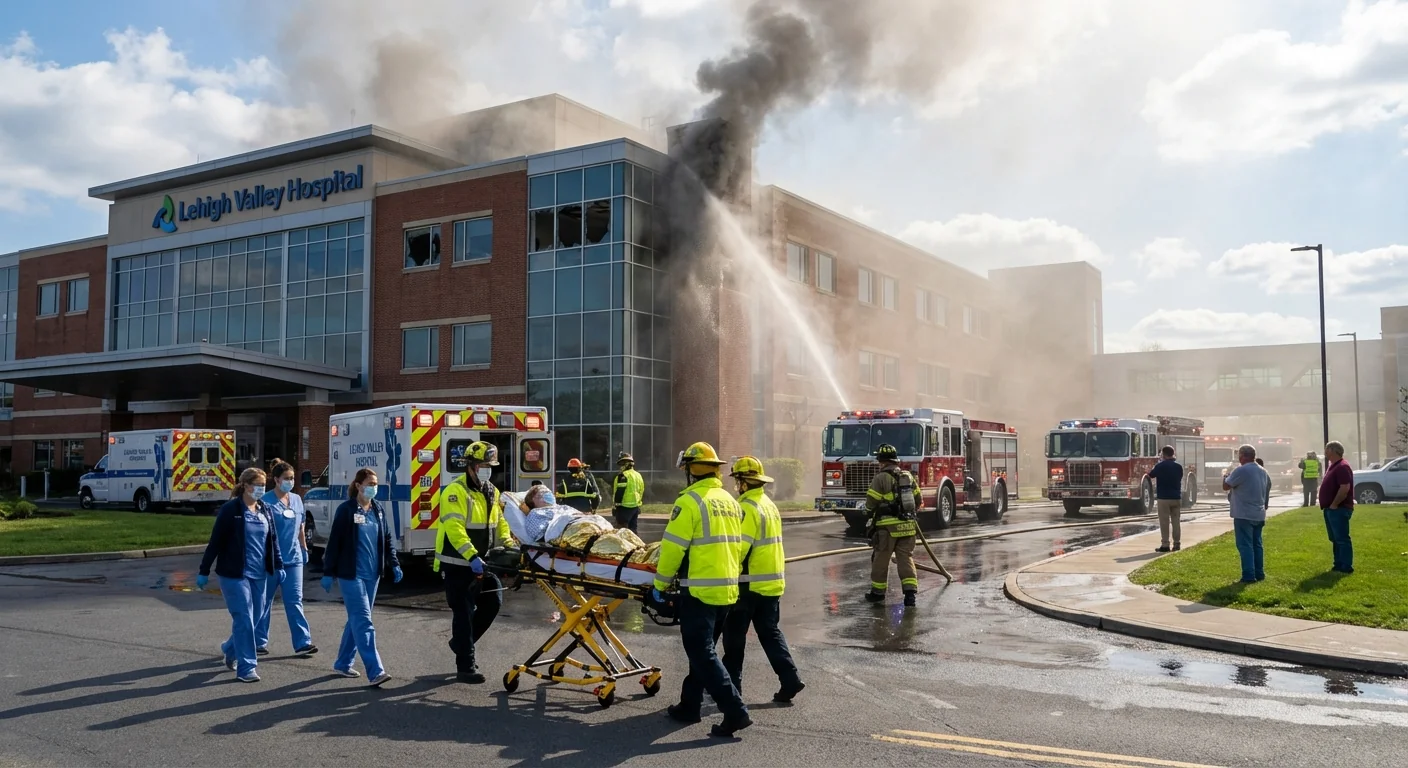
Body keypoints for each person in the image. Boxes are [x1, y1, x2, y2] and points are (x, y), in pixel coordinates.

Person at [655, 442, 751, 738]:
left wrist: (659, 585)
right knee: (703, 651)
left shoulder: (690, 502)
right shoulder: (730, 501)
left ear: (692, 470)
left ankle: (734, 711)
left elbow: (672, 548)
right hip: (727, 590)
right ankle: (689, 705)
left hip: (698, 591)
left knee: (702, 652)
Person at [721, 456, 805, 704]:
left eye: (737, 480)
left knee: (734, 639)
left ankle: (731, 688)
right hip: (771, 584)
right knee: (770, 634)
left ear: (745, 482)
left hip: (748, 585)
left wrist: (727, 576)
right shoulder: (769, 504)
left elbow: (740, 548)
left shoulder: (746, 507)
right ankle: (790, 679)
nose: (736, 485)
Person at [196, 467, 284, 683]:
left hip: (259, 574)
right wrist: (204, 570)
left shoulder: (265, 509)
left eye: (264, 485)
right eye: (257, 485)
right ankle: (246, 667)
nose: (261, 489)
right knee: (244, 618)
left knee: (254, 619)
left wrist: (279, 565)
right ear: (245, 486)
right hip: (235, 574)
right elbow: (215, 542)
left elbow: (272, 541)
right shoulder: (231, 510)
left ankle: (229, 647)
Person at [436, 440, 513, 684]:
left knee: (493, 602)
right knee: (464, 612)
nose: (487, 469)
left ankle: (460, 643)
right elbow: (454, 528)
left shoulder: (491, 490)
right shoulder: (455, 492)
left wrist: (509, 546)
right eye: (483, 465)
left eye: (490, 465)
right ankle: (465, 666)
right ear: (470, 466)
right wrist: (470, 555)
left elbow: (499, 523)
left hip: (483, 563)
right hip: (458, 563)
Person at [320, 468, 401, 686]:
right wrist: (328, 572)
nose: (373, 487)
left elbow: (387, 538)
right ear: (358, 485)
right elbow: (334, 543)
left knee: (356, 620)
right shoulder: (346, 510)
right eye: (369, 483)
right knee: (364, 621)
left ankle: (343, 663)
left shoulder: (378, 509)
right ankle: (375, 671)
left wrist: (394, 564)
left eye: (375, 484)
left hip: (371, 575)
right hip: (350, 574)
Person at [257, 458, 317, 657]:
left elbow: (300, 526)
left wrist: (304, 548)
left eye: (292, 478)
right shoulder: (265, 501)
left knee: (294, 601)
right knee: (264, 603)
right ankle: (258, 641)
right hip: (271, 561)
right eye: (286, 478)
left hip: (294, 560)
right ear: (276, 479)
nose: (290, 482)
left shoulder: (297, 500)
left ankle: (303, 642)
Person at [864, 444, 922, 606]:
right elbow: (918, 501)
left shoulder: (880, 478)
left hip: (887, 529)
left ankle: (878, 593)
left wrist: (867, 514)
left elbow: (871, 503)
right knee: (905, 559)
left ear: (881, 461)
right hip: (908, 527)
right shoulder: (908, 476)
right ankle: (910, 595)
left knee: (881, 560)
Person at [1223, 444, 1270, 583]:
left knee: (1245, 545)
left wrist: (1225, 476)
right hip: (1259, 513)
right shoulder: (1262, 471)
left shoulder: (1241, 470)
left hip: (1243, 514)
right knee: (1257, 545)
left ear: (1242, 456)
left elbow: (1226, 486)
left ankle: (1248, 575)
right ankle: (1259, 573)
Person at [1319, 441, 1355, 574]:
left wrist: (1334, 504)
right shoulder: (1333, 466)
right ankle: (1338, 564)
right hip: (1330, 509)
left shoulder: (1342, 467)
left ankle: (1346, 565)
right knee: (1335, 538)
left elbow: (1344, 487)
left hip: (1339, 509)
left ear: (1333, 450)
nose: (1325, 452)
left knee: (1342, 538)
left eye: (1327, 450)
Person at [1146, 445, 1184, 552]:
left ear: (1163, 454)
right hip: (1176, 497)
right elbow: (1180, 477)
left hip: (1163, 498)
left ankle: (1165, 544)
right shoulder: (1178, 466)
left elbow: (1151, 475)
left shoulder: (1160, 466)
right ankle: (1177, 544)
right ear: (1173, 453)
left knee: (1164, 522)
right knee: (1176, 522)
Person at [611, 452, 646, 533]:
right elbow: (641, 490)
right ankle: (636, 545)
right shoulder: (638, 475)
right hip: (635, 507)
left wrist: (615, 507)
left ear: (624, 464)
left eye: (621, 464)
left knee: (621, 532)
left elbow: (619, 492)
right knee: (633, 531)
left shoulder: (622, 476)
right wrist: (638, 504)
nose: (620, 467)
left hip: (623, 508)